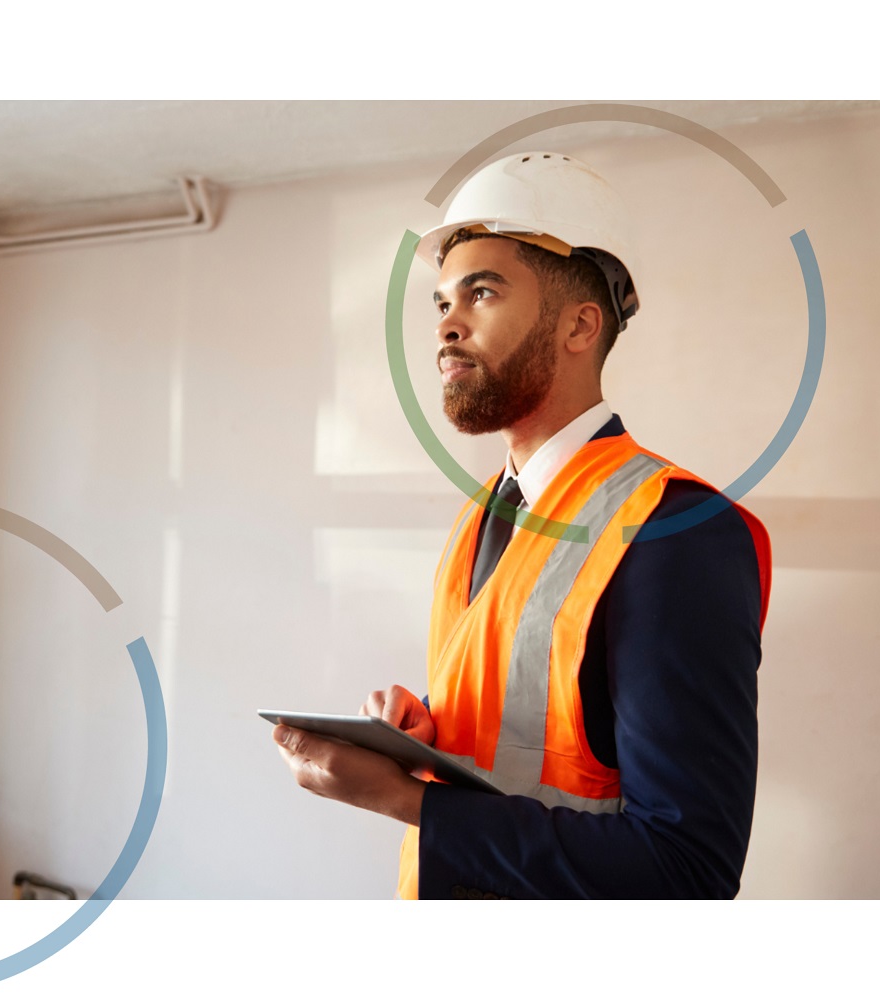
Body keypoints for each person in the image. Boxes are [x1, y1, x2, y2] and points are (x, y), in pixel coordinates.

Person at [271, 151, 774, 899]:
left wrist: (401, 797)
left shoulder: (677, 529)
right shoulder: (483, 516)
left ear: (579, 325)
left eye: (482, 293)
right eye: (441, 303)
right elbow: (534, 741)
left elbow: (688, 869)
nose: (447, 326)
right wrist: (428, 736)